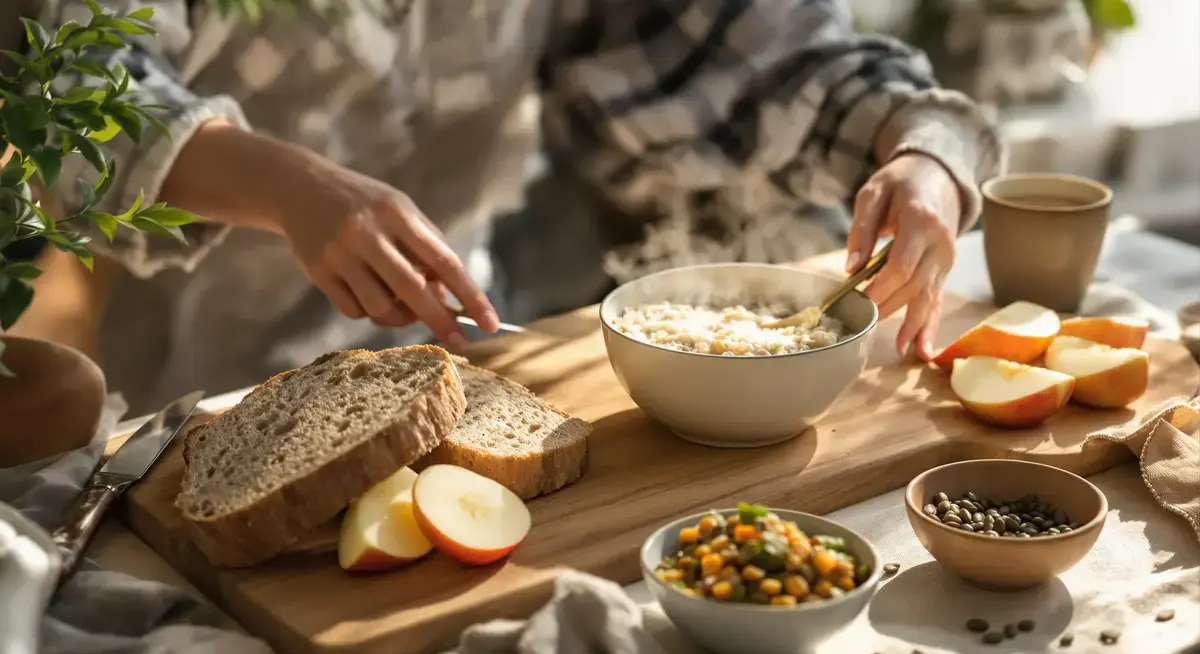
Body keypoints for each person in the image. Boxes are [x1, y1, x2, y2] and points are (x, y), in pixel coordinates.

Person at [40, 0, 1002, 416]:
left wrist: (920, 147)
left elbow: (761, 46)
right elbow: (74, 85)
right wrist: (290, 186)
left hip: (471, 352)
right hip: (196, 390)